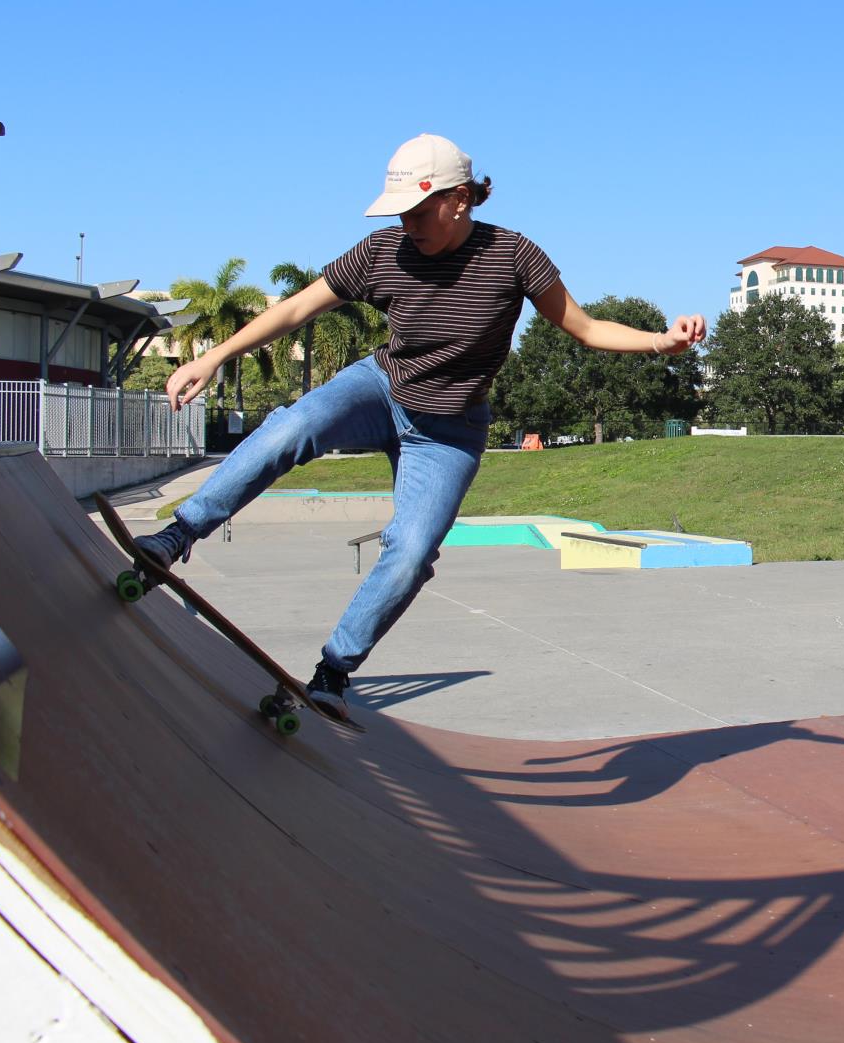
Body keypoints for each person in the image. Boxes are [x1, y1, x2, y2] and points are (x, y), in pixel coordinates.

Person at [137, 134, 706, 717]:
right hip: (379, 388)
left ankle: (334, 668)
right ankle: (178, 536)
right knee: (292, 427)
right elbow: (295, 309)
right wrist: (211, 358)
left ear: (459, 199)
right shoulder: (383, 252)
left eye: (417, 210)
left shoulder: (514, 257)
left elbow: (584, 328)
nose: (407, 223)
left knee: (411, 551)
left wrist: (661, 342)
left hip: (450, 431)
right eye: (400, 212)